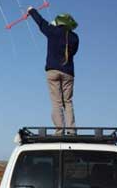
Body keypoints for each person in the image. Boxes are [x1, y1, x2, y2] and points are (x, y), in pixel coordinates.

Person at [27, 7, 79, 135]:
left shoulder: (52, 31)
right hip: (68, 72)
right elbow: (74, 53)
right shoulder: (75, 37)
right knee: (68, 101)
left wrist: (32, 11)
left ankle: (59, 130)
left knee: (56, 102)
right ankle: (72, 131)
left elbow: (41, 22)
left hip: (52, 71)